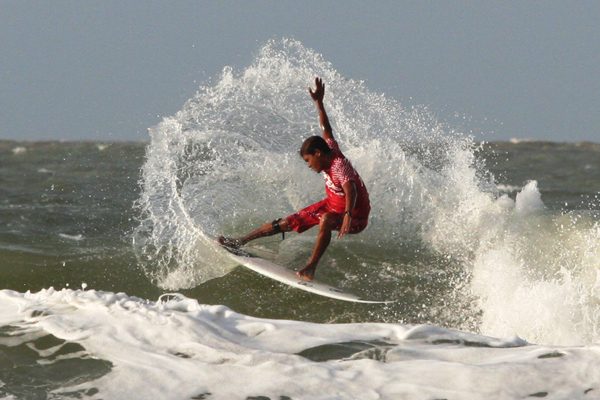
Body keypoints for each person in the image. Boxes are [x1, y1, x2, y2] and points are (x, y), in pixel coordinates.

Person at [219, 77, 370, 281]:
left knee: (325, 220)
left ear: (317, 153)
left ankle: (310, 268)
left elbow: (350, 187)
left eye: (308, 160)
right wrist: (319, 103)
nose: (308, 165)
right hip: (332, 205)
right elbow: (327, 128)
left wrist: (348, 215)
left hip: (354, 216)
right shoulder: (330, 148)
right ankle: (240, 241)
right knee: (287, 222)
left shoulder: (338, 165)